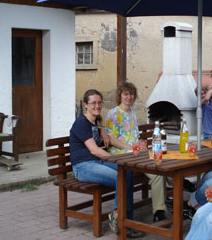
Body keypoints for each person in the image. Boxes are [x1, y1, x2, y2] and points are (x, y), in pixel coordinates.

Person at [69, 89, 145, 238]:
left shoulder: (95, 122)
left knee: (127, 171)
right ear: (85, 105)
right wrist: (114, 159)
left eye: (99, 103)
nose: (97, 106)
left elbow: (99, 130)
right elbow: (94, 150)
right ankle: (120, 218)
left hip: (96, 163)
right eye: (93, 103)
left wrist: (102, 130)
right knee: (120, 177)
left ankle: (126, 221)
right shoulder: (81, 123)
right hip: (83, 167)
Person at [105, 82, 168, 222]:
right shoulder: (113, 114)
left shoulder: (133, 113)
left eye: (131, 94)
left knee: (159, 171)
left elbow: (134, 137)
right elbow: (112, 140)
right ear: (120, 96)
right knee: (156, 167)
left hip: (135, 153)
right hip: (121, 155)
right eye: (126, 94)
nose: (129, 97)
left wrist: (140, 146)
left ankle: (159, 211)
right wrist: (131, 148)